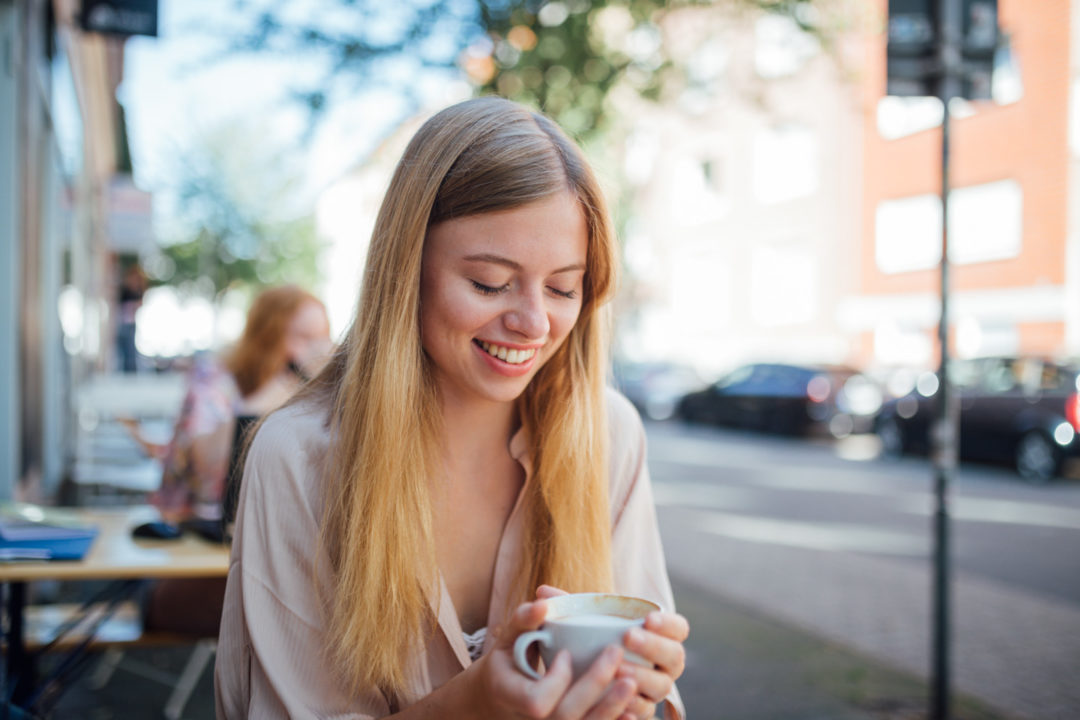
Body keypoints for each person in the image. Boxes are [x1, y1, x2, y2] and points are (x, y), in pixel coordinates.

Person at [215, 97, 689, 719]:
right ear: (407, 267)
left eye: (563, 287)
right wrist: (473, 706)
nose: (533, 323)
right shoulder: (300, 458)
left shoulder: (610, 435)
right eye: (490, 283)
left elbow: (639, 686)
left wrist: (634, 692)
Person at [140, 285, 331, 636]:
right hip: (186, 556)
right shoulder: (213, 378)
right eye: (303, 337)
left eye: (322, 339)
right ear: (266, 335)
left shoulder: (314, 397)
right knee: (300, 613)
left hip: (254, 557)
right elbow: (206, 463)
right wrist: (271, 397)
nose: (313, 352)